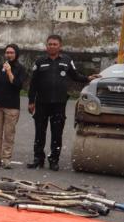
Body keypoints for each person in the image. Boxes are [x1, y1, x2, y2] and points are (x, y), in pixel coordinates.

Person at [27, 34, 99, 171]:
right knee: (39, 132)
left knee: (57, 133)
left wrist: (88, 78)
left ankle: (54, 160)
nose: (52, 46)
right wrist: (31, 101)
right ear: (46, 46)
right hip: (42, 103)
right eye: (50, 44)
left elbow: (75, 75)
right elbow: (33, 83)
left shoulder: (66, 60)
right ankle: (38, 159)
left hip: (59, 104)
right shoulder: (39, 61)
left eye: (55, 44)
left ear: (60, 46)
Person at [0, 44, 26, 169]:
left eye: (11, 52)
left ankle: (6, 159)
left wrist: (9, 71)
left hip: (12, 106)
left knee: (9, 134)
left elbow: (18, 85)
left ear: (16, 54)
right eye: (7, 52)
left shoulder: (20, 68)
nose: (9, 55)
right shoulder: (0, 67)